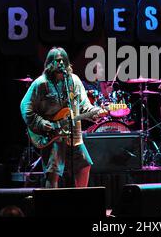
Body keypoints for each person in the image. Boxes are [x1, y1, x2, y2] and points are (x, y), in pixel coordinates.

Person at [20, 47, 105, 188]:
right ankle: (52, 207)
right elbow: (25, 108)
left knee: (85, 166)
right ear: (49, 63)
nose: (60, 63)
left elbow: (85, 106)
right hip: (52, 135)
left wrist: (96, 112)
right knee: (53, 173)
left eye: (62, 60)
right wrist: (42, 123)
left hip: (74, 136)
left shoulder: (74, 81)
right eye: (56, 60)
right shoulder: (41, 83)